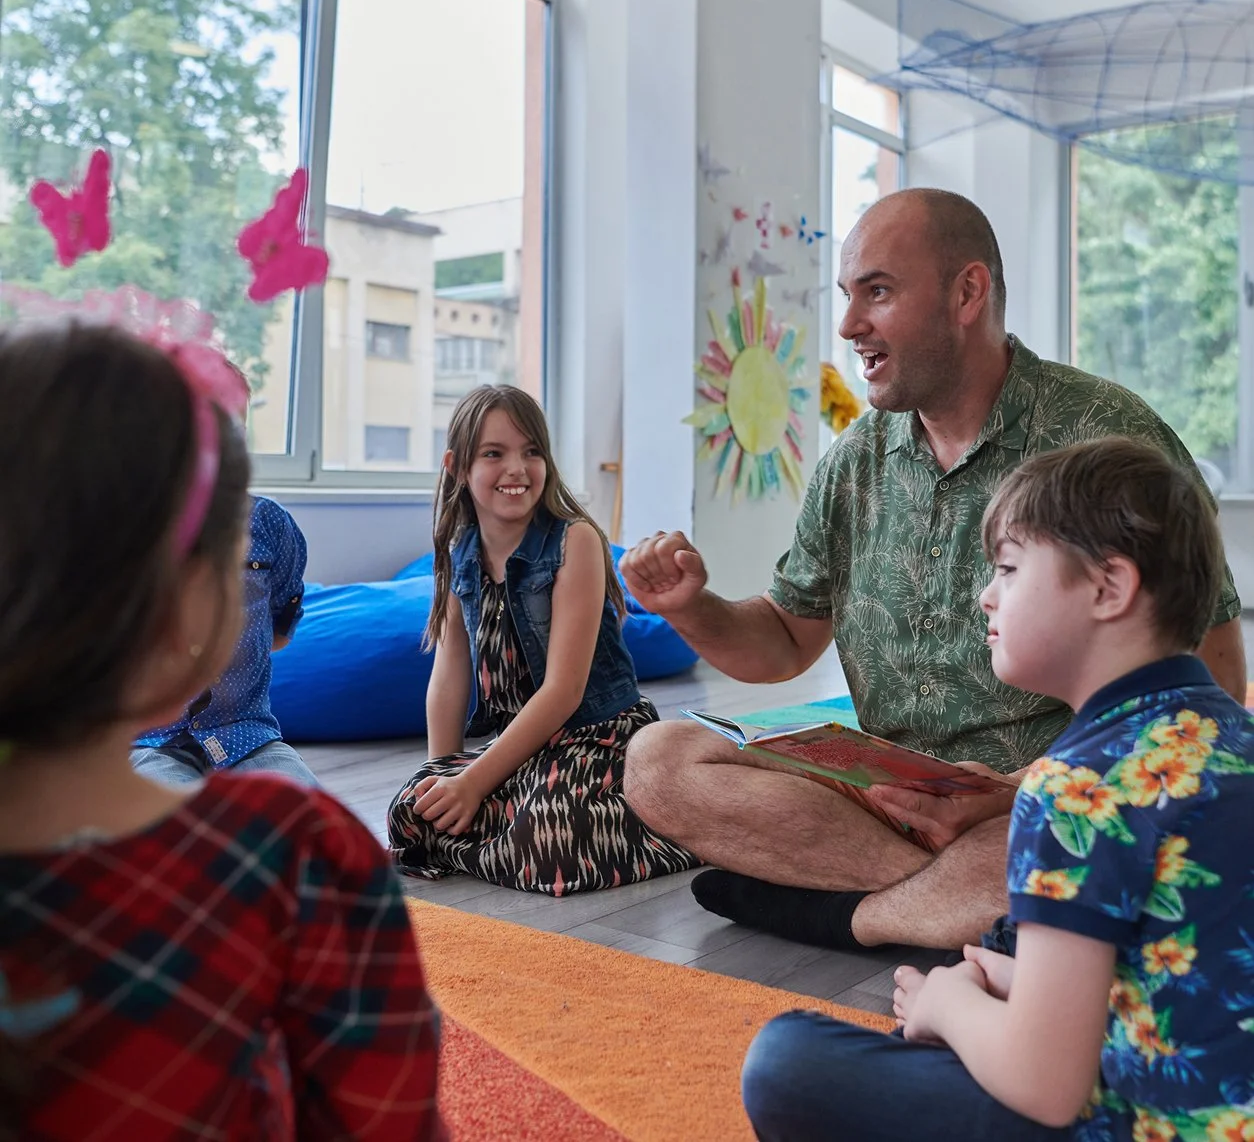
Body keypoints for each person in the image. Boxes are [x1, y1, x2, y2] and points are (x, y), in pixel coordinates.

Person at [620, 188, 1246, 952]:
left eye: (876, 292)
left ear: (967, 292)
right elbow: (784, 641)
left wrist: (1015, 794)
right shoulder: (853, 463)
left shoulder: (1105, 439)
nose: (849, 326)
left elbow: (1209, 678)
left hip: (1039, 795)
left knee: (1102, 838)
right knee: (659, 761)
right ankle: (976, 909)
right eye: (848, 297)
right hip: (881, 791)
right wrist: (693, 608)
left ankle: (857, 917)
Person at [0, 318, 443, 1140]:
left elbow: (283, 625)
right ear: (189, 603)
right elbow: (387, 1115)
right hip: (159, 759)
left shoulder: (275, 529)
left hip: (248, 733)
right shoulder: (304, 858)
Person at [740, 437, 1254, 1141]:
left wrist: (950, 1006)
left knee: (787, 1060)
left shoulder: (1077, 787)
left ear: (1109, 587)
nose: (987, 594)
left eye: (1009, 569)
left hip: (1150, 1121)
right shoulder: (1236, 738)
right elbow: (1197, 972)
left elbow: (1046, 1087)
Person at [387, 384, 699, 894]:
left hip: (596, 737)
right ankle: (494, 832)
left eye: (532, 451)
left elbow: (564, 692)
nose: (517, 468)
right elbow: (448, 677)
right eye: (494, 454)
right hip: (519, 746)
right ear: (456, 466)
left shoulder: (575, 540)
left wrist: (475, 783)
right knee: (409, 813)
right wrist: (442, 777)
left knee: (548, 844)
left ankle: (682, 824)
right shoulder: (457, 548)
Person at [131, 489, 317, 787]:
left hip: (248, 736)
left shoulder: (266, 520)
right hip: (150, 742)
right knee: (177, 826)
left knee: (306, 819)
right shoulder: (122, 523)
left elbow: (280, 627)